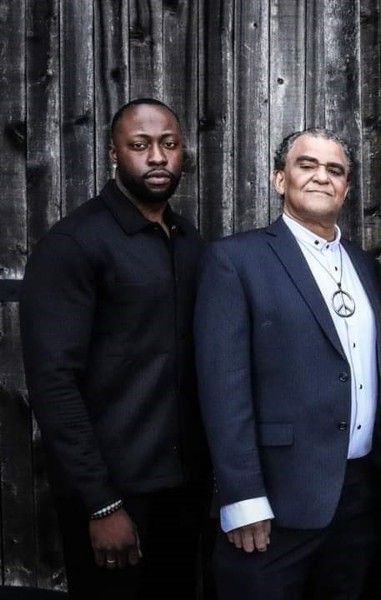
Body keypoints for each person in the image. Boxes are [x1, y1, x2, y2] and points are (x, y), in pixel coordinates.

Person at [19, 98, 209, 599]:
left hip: (181, 492)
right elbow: (53, 383)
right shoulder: (74, 245)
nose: (157, 157)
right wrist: (101, 503)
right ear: (113, 153)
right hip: (114, 497)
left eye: (169, 144)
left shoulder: (188, 240)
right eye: (140, 145)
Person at [194, 128, 381, 599]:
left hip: (360, 496)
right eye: (307, 165)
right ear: (280, 179)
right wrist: (243, 497)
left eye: (335, 170)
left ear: (346, 189)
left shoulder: (365, 265)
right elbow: (223, 387)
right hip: (275, 499)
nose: (322, 177)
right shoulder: (235, 260)